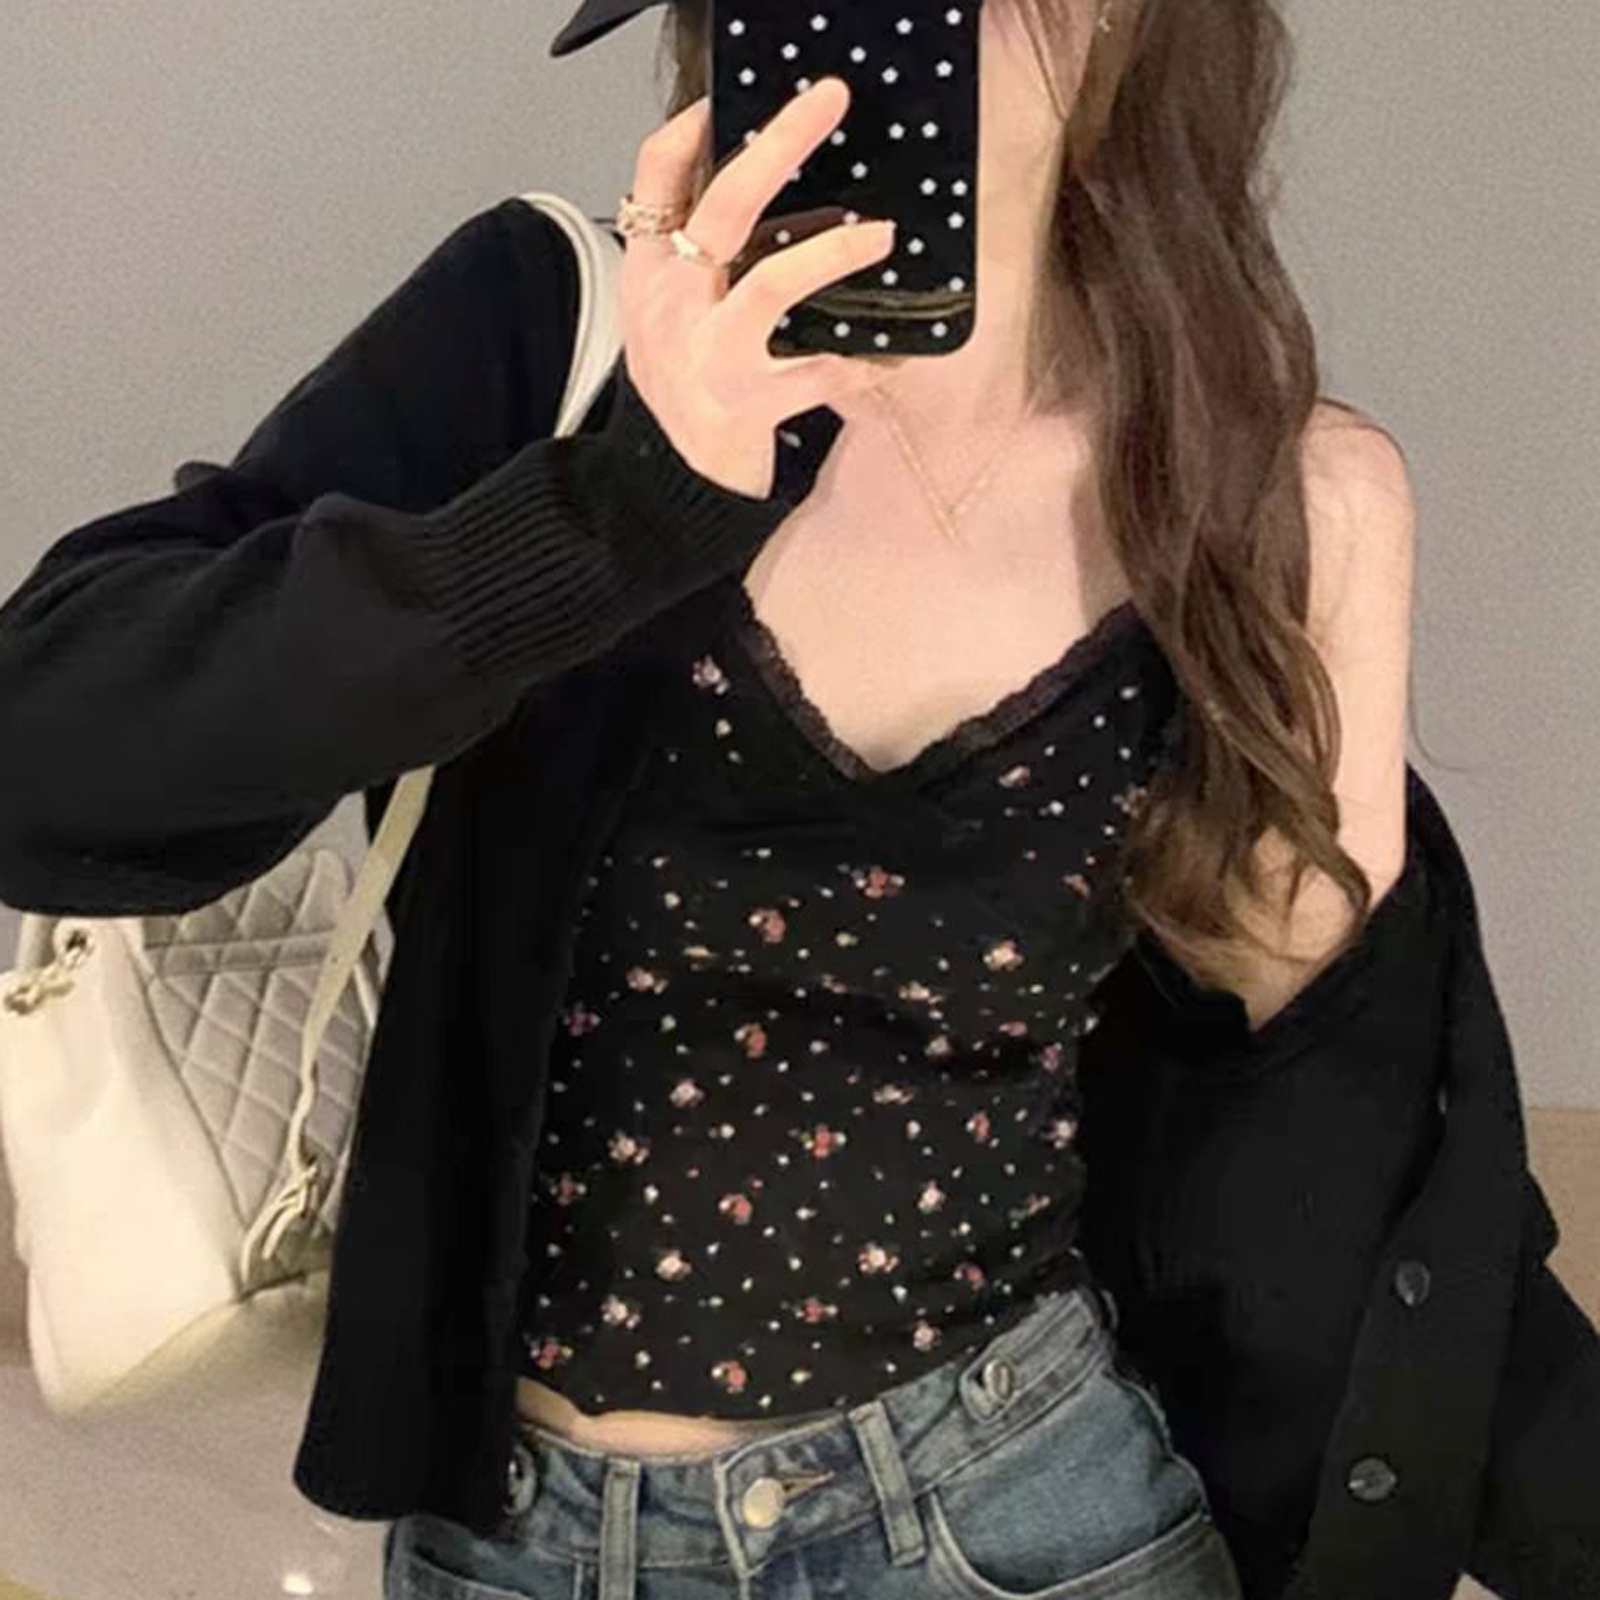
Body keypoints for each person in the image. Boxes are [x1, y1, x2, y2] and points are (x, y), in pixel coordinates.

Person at [0, 0, 1420, 1596]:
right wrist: (615, 511)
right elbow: (45, 758)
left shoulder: (1270, 493)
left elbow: (1315, 1114)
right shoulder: (556, 334)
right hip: (523, 1542)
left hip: (1021, 1512)